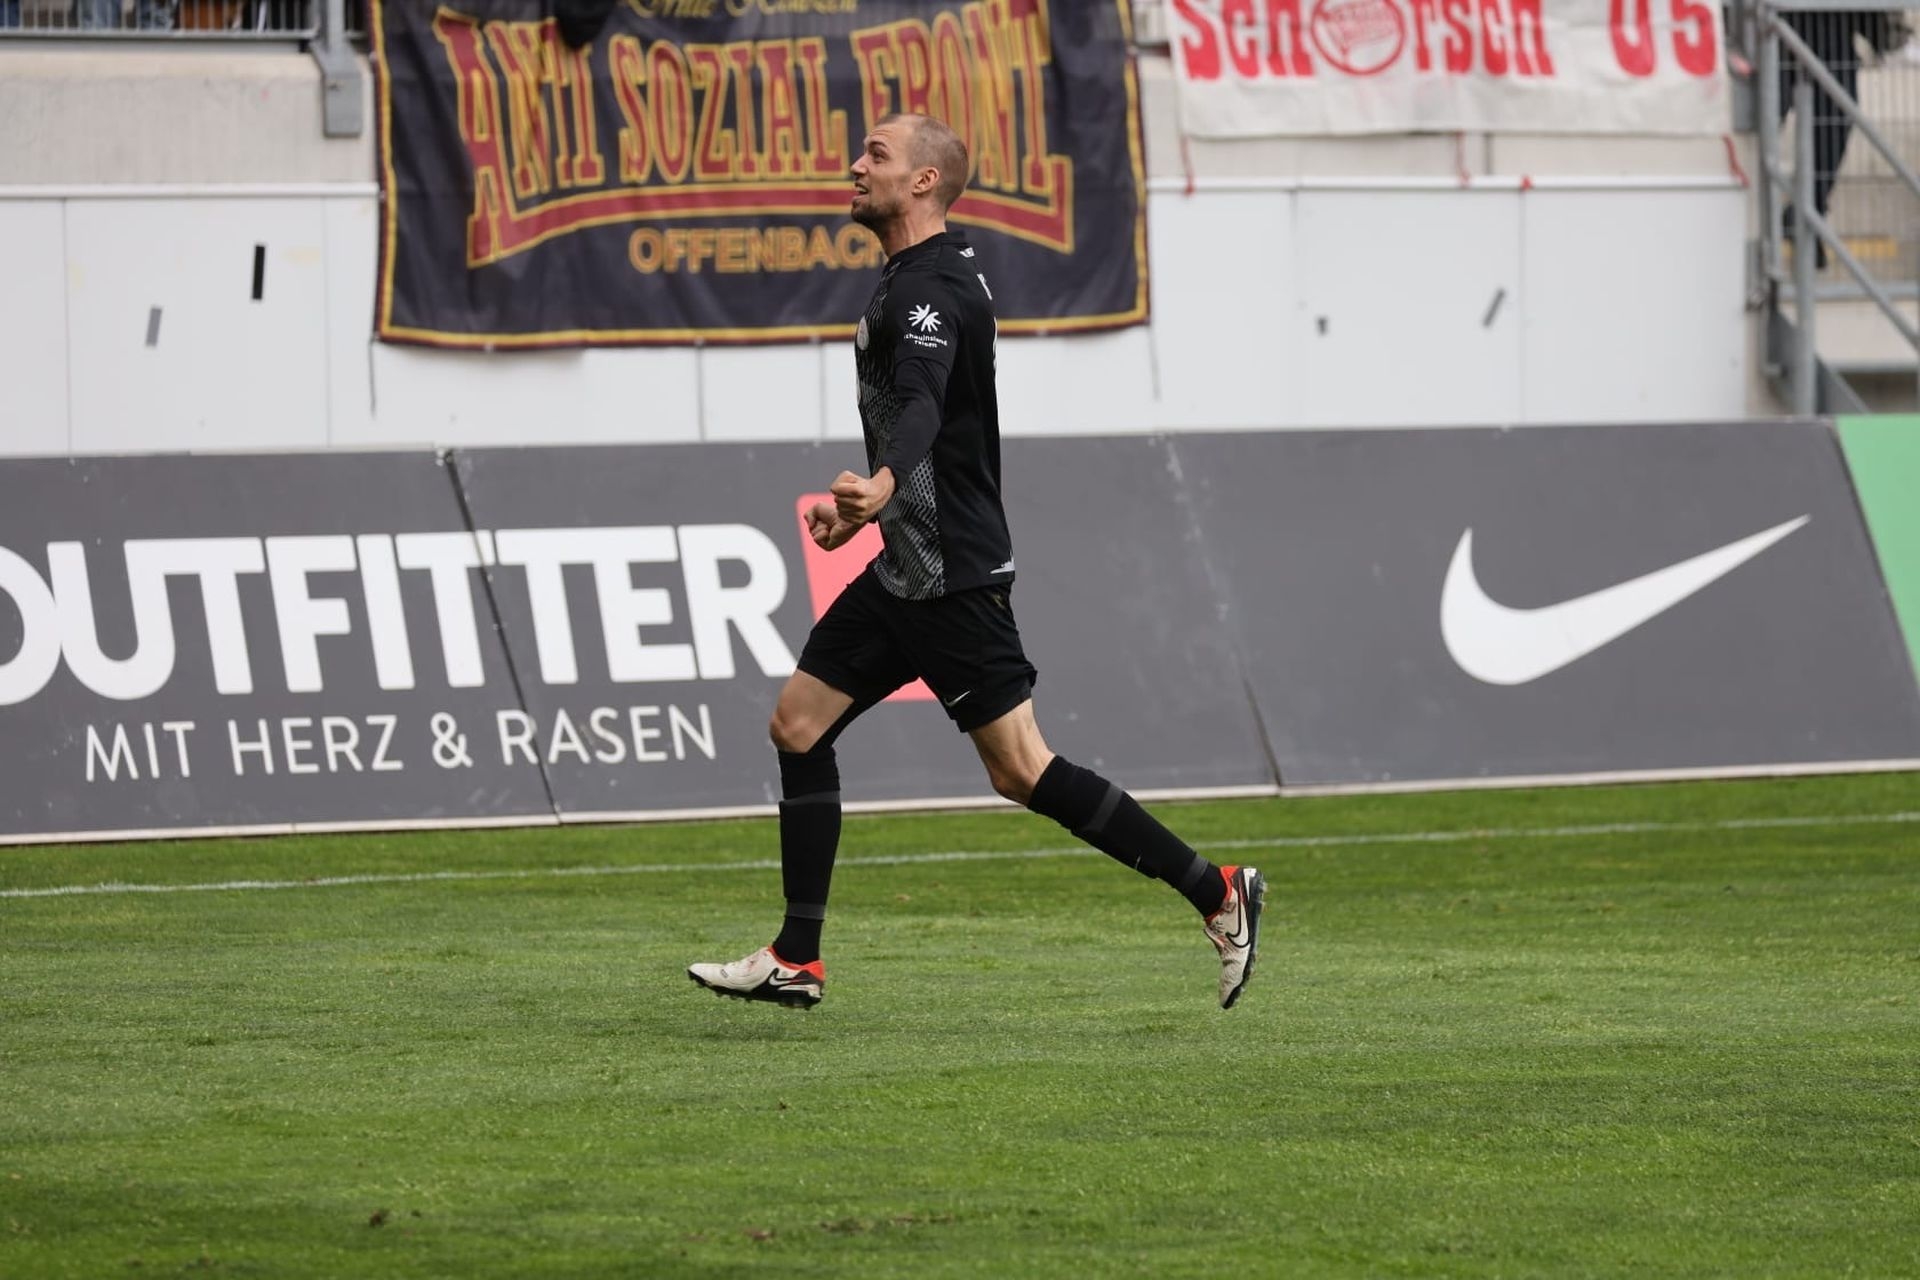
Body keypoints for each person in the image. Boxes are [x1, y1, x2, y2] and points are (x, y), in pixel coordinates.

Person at [687, 114, 1266, 1012]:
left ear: (924, 181)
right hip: (904, 569)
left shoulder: (930, 288)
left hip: (951, 577)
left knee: (1022, 769)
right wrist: (870, 513)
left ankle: (1217, 891)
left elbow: (922, 404)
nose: (855, 165)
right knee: (798, 726)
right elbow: (927, 412)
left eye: (877, 154)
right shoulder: (920, 274)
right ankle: (798, 957)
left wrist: (882, 484)